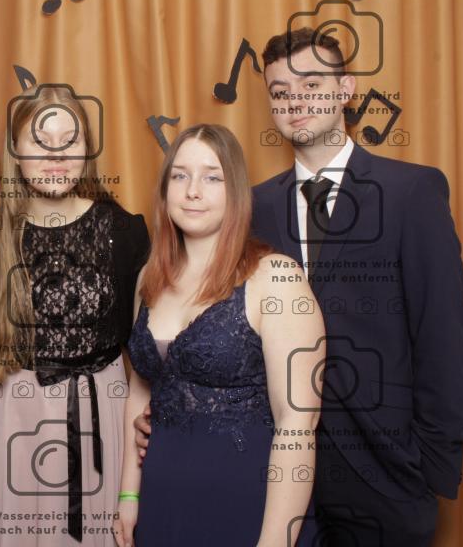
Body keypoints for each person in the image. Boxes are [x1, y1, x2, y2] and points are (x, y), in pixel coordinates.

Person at [136, 28, 463, 546]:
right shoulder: (250, 209)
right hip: (271, 470)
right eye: (281, 91)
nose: (296, 100)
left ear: (345, 90)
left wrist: (431, 468)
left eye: (312, 84)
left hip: (384, 472)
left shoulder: (410, 193)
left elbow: (442, 337)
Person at [113, 124, 323, 547]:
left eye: (212, 177)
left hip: (248, 498)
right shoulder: (149, 277)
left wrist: (275, 541)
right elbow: (139, 389)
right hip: (163, 496)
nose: (193, 191)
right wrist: (129, 494)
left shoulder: (275, 278)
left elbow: (298, 423)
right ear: (165, 188)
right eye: (180, 175)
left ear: (236, 192)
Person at [0, 83, 150, 546]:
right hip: (14, 414)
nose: (56, 156)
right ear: (15, 151)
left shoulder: (124, 229)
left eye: (70, 140)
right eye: (41, 142)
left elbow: (150, 344)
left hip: (102, 410)